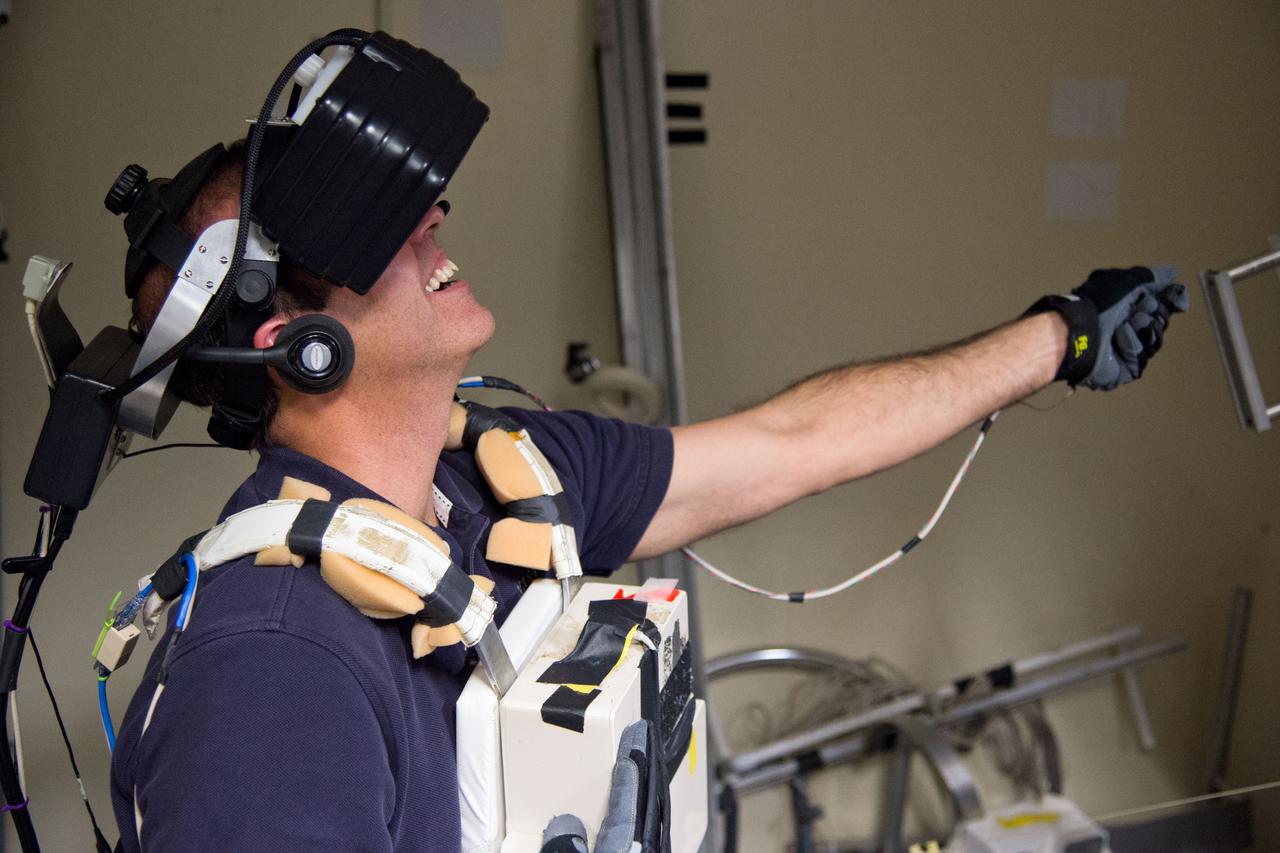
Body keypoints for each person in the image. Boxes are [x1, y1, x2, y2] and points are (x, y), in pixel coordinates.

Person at [108, 80, 1187, 853]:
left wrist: (1059, 336)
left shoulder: (504, 481)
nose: (433, 219)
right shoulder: (270, 669)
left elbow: (795, 441)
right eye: (374, 228)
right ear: (287, 340)